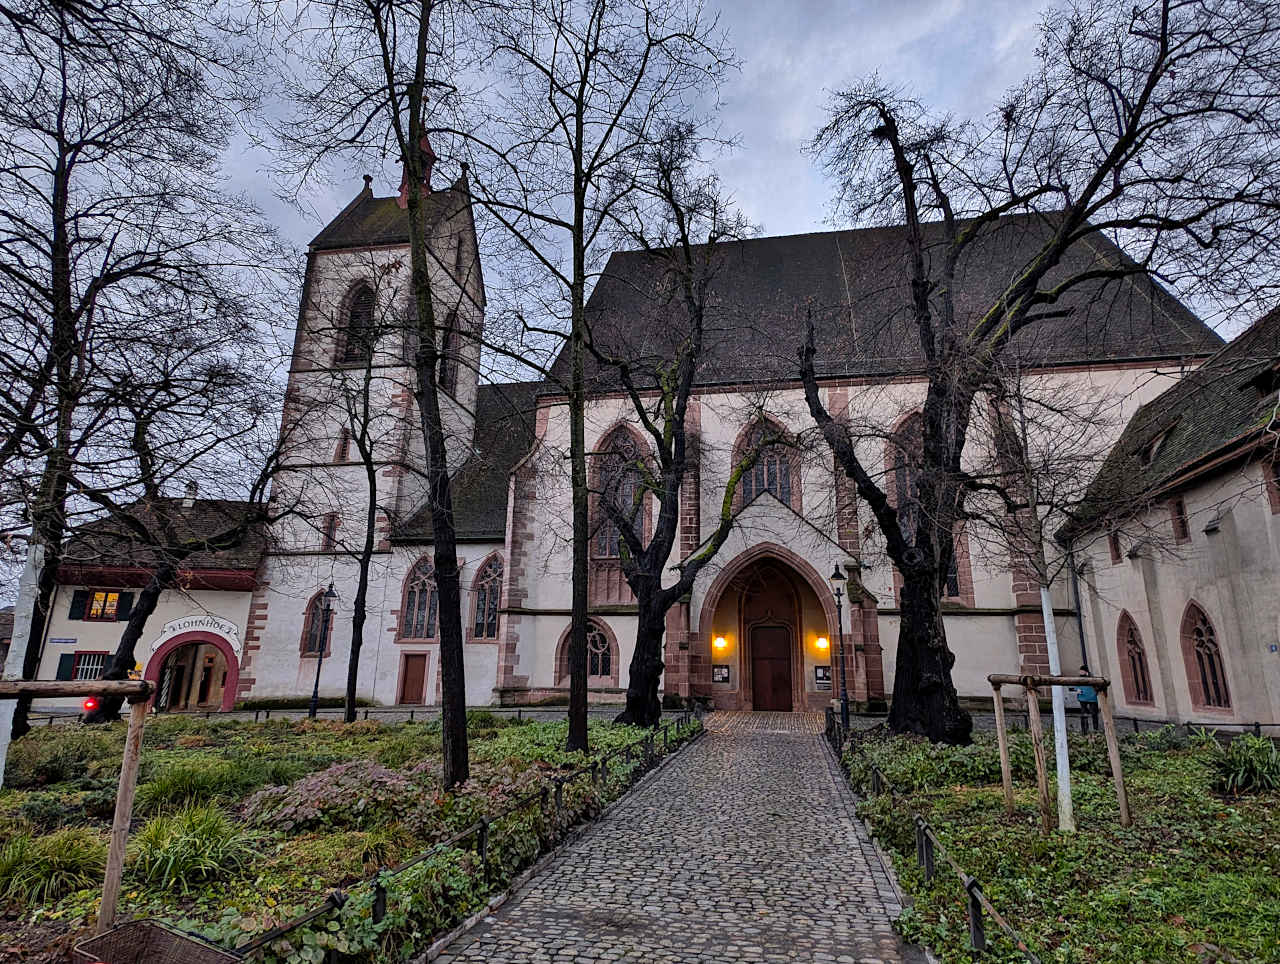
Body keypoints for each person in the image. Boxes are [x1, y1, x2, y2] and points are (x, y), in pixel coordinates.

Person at [1074, 667, 1099, 733]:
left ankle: (1095, 729)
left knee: (1094, 714)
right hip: (1082, 698)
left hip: (1092, 698)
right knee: (1083, 714)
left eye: (1082, 671)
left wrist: (1095, 693)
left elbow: (1097, 686)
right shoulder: (1078, 678)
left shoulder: (1092, 677)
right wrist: (1077, 690)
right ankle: (1085, 730)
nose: (1080, 672)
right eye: (1080, 671)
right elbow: (1075, 686)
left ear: (1086, 671)